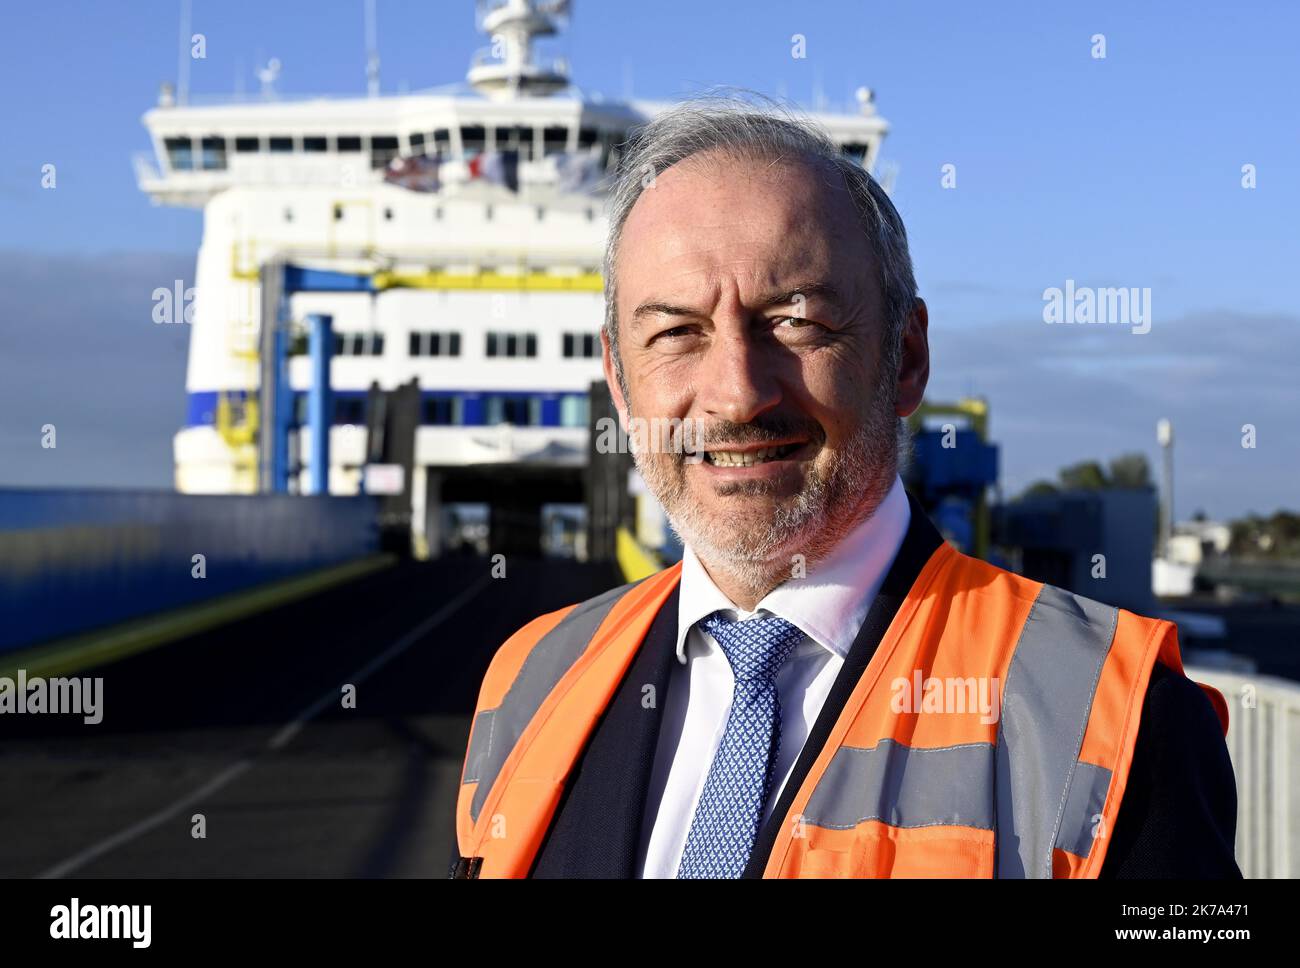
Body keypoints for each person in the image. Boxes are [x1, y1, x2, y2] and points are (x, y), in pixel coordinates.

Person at [450, 94, 1240, 879]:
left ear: (907, 357)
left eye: (796, 323)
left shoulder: (1116, 717)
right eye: (676, 333)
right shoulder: (529, 682)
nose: (737, 394)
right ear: (620, 385)